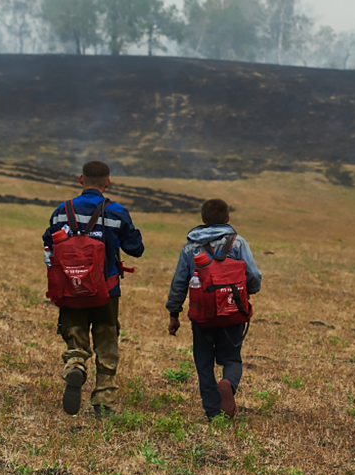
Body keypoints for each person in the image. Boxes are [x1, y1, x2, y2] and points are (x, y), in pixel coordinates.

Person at [43, 161, 144, 418]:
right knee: (106, 342)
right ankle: (103, 400)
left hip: (71, 288)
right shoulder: (116, 211)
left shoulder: (61, 211)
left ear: (80, 180)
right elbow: (136, 249)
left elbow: (48, 242)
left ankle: (76, 365)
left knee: (75, 335)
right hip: (106, 290)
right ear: (107, 182)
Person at [165, 198, 262, 421]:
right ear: (227, 219)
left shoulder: (190, 246)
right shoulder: (238, 243)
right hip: (232, 312)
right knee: (232, 359)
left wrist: (174, 314)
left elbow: (179, 282)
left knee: (203, 362)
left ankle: (212, 412)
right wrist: (248, 293)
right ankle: (228, 383)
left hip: (202, 315)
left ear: (202, 219)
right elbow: (254, 275)